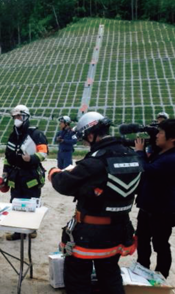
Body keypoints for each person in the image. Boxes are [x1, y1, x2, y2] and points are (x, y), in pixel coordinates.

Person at [48, 111, 142, 294]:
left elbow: (64, 184)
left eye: (85, 138)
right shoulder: (131, 155)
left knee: (77, 279)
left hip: (89, 235)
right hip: (118, 229)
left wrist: (53, 172)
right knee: (110, 275)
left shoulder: (95, 162)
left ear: (91, 135)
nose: (84, 142)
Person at [134, 119, 175, 278]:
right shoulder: (161, 152)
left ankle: (161, 276)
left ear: (172, 138)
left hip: (162, 210)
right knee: (142, 241)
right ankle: (142, 270)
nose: (157, 136)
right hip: (147, 206)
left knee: (160, 245)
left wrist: (139, 151)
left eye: (161, 133)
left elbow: (147, 169)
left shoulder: (171, 158)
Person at [3, 105, 48, 241]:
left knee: (31, 203)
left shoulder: (36, 134)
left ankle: (31, 229)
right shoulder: (12, 136)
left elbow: (44, 153)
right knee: (15, 202)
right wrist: (5, 173)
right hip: (15, 176)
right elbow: (7, 157)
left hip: (31, 175)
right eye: (14, 117)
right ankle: (18, 231)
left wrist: (32, 158)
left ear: (26, 117)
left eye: (19, 116)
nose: (16, 119)